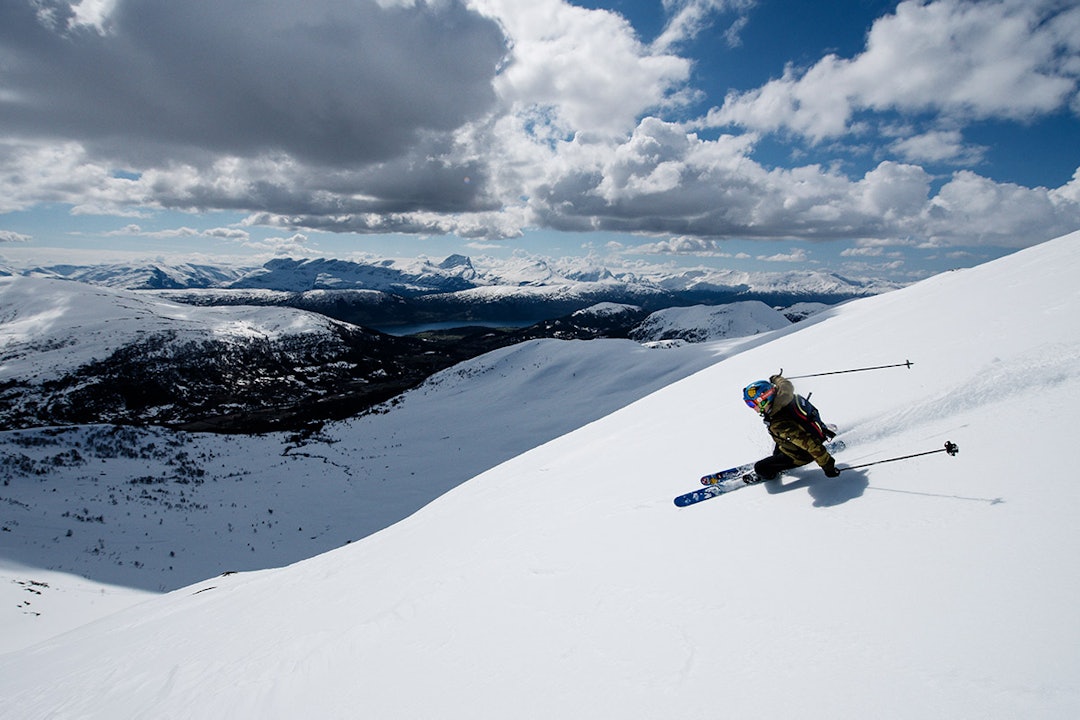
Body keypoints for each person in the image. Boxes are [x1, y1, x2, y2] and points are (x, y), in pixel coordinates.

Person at [743, 374, 840, 482]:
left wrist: (829, 468)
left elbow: (811, 445)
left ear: (764, 399)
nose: (752, 408)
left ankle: (766, 475)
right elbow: (785, 384)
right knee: (778, 447)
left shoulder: (779, 423)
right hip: (807, 429)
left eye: (752, 404)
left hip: (802, 455)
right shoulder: (784, 393)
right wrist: (775, 378)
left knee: (760, 467)